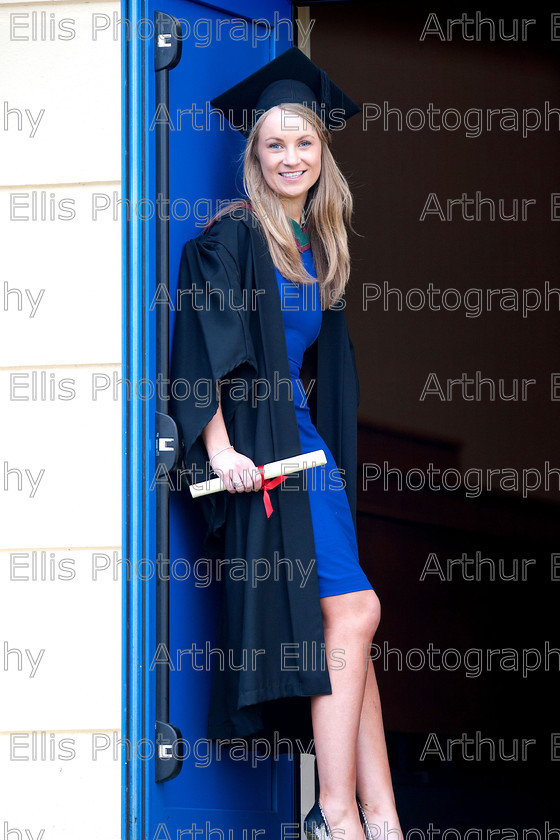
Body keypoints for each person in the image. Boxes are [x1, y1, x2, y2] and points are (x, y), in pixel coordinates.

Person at [170, 47, 402, 840]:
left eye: (304, 142)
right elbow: (204, 345)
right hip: (267, 457)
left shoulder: (320, 244)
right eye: (275, 144)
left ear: (321, 152)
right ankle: (335, 812)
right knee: (357, 613)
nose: (291, 157)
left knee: (351, 622)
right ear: (255, 154)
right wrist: (222, 448)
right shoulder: (232, 239)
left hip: (311, 456)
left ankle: (380, 819)